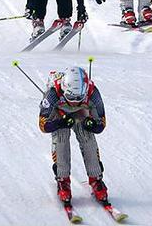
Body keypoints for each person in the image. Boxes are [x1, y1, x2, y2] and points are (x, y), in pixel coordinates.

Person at [38, 67, 108, 203]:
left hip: (82, 112)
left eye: (78, 97)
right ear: (64, 89)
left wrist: (91, 124)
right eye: (70, 97)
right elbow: (43, 125)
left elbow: (101, 125)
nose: (74, 101)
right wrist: (59, 123)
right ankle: (63, 180)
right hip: (59, 113)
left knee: (87, 139)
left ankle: (96, 178)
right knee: (61, 140)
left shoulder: (93, 93)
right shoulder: (53, 94)